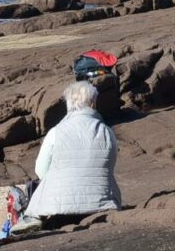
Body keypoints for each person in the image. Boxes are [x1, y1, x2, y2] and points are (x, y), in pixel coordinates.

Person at [14, 80, 121, 232]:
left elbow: (40, 170)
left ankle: (32, 218)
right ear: (93, 103)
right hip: (104, 202)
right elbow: (110, 166)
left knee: (33, 189)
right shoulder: (107, 132)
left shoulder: (56, 132)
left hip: (57, 206)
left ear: (68, 104)